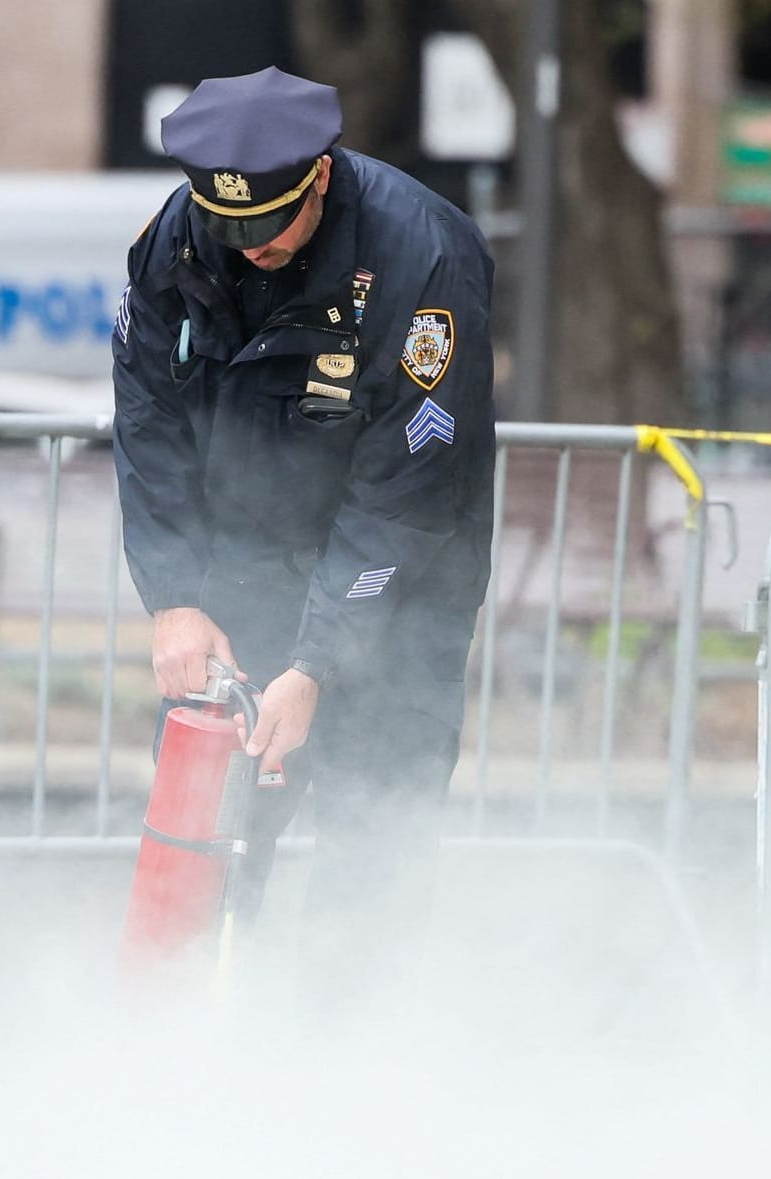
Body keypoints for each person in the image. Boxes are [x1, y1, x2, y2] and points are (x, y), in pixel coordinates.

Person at [112, 67, 496, 1019]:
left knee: (376, 837)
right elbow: (147, 417)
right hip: (245, 566)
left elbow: (407, 484)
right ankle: (169, 1045)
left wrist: (318, 658)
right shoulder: (181, 233)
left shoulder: (422, 255)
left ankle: (338, 1070)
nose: (248, 250)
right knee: (207, 828)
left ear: (319, 177)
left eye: (269, 225)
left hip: (402, 580)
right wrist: (175, 596)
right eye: (228, 227)